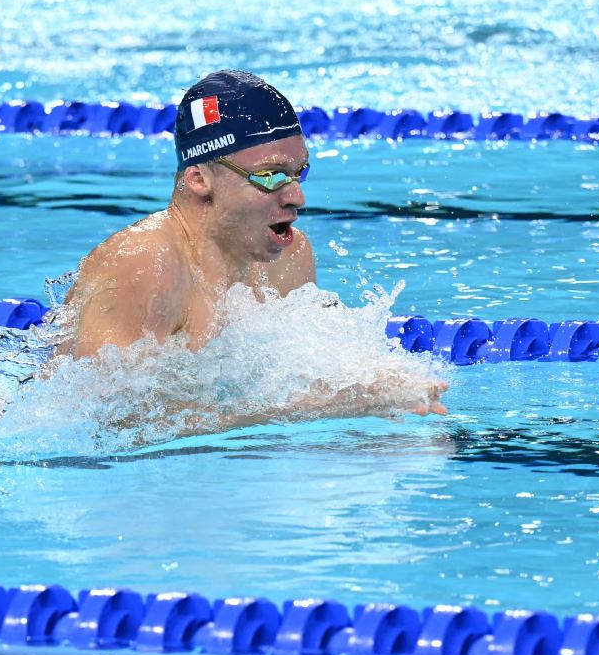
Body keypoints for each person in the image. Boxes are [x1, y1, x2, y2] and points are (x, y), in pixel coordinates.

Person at [56, 69, 447, 422]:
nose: (297, 197)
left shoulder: (288, 255)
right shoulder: (148, 261)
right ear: (198, 179)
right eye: (271, 176)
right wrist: (339, 402)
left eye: (298, 173)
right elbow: (110, 421)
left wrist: (378, 382)